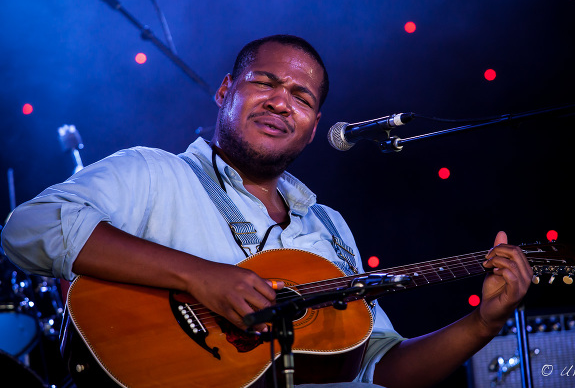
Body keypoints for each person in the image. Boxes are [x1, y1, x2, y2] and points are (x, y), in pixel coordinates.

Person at [1, 35, 532, 388]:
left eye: (302, 96)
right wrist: (201, 276)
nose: (282, 102)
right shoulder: (152, 173)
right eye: (265, 82)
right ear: (225, 91)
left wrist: (483, 325)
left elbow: (378, 368)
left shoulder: (329, 229)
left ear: (314, 121)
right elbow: (27, 229)